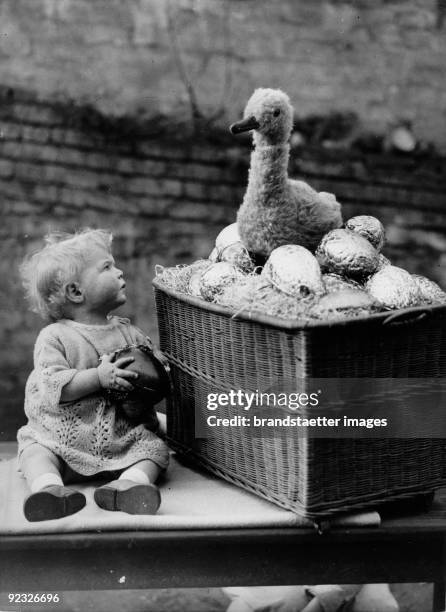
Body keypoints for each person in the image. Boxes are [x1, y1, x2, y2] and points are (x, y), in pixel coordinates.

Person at [17, 228, 169, 522]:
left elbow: (149, 364)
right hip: (61, 441)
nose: (120, 271)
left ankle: (128, 485)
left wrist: (158, 367)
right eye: (107, 267)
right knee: (35, 451)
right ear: (76, 292)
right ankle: (49, 490)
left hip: (119, 441)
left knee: (154, 450)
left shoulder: (128, 332)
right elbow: (53, 387)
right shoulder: (55, 337)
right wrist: (99, 378)